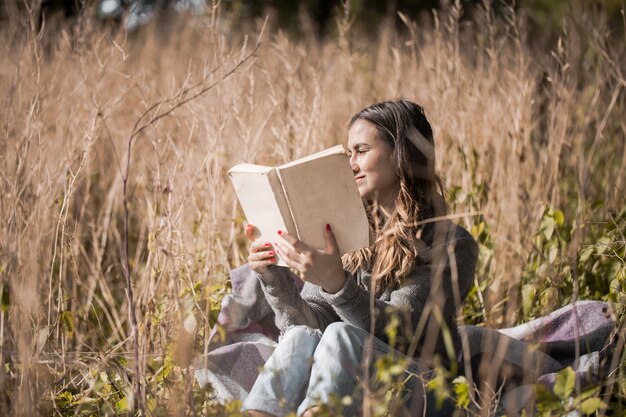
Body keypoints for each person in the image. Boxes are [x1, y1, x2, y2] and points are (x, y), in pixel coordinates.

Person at [240, 99, 479, 416]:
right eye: (348, 153)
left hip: (421, 392)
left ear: (401, 155)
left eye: (361, 151)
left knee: (340, 336)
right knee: (300, 336)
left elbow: (405, 335)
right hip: (356, 384)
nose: (350, 164)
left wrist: (338, 285)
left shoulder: (450, 243)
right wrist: (273, 276)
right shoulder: (349, 234)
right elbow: (310, 327)